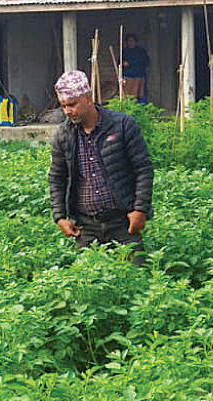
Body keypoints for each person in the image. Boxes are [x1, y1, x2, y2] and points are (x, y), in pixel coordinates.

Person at [48, 70, 154, 263]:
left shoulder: (122, 125)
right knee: (89, 277)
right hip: (86, 226)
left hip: (123, 221)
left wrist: (140, 210)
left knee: (137, 274)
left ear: (88, 98)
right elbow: (57, 177)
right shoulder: (64, 135)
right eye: (63, 106)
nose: (67, 111)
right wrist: (60, 217)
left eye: (72, 104)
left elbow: (143, 169)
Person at [119, 34, 150, 103]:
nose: (130, 43)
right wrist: (123, 63)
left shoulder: (140, 51)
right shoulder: (125, 51)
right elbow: (120, 62)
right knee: (128, 95)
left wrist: (131, 63)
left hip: (139, 76)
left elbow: (146, 61)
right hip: (128, 76)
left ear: (135, 42)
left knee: (140, 94)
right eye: (129, 41)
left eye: (132, 41)